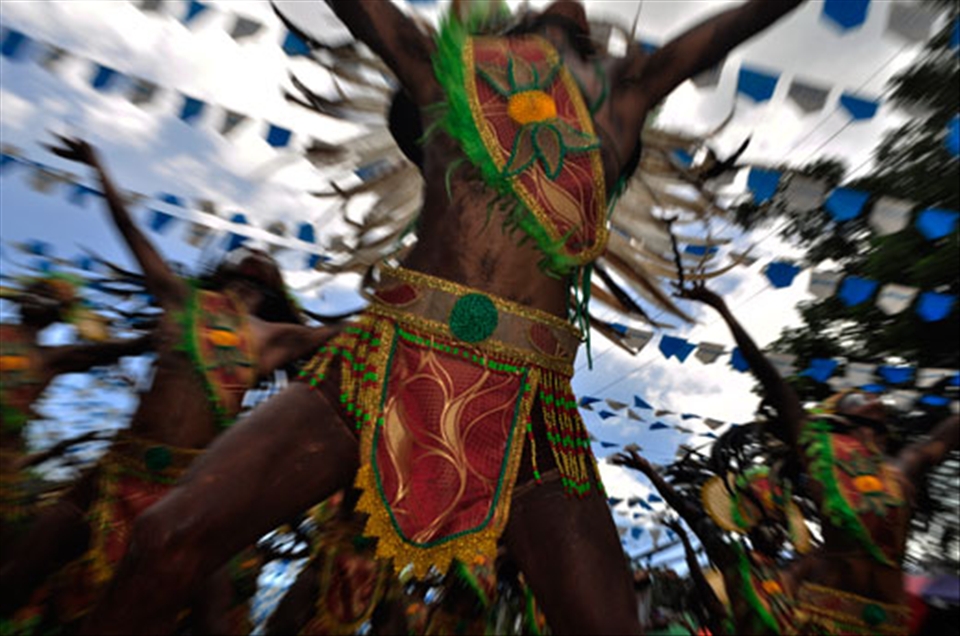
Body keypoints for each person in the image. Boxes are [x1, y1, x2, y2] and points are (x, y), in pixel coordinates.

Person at [81, 2, 805, 633]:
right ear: (507, 35)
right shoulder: (442, 76)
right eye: (545, 20)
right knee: (164, 540)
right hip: (384, 361)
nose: (570, 9)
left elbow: (739, 21)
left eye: (585, 41)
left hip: (534, 409)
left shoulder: (622, 109)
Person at [0, 137, 336, 633]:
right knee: (32, 555)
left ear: (269, 300)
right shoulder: (181, 301)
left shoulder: (275, 340)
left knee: (213, 611)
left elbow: (352, 331)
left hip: (192, 484)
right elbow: (135, 234)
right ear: (221, 282)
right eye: (240, 278)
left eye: (258, 286)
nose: (246, 287)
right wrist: (100, 168)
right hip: (121, 465)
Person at [670, 281, 960, 634]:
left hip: (892, 625)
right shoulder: (820, 451)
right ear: (836, 419)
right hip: (824, 622)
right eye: (856, 398)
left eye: (872, 399)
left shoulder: (903, 469)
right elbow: (771, 379)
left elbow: (947, 432)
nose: (871, 399)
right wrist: (722, 308)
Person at [1, 275, 151, 540]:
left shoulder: (51, 357)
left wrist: (152, 337)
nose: (37, 295)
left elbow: (104, 351)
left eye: (48, 294)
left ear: (58, 314)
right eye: (35, 288)